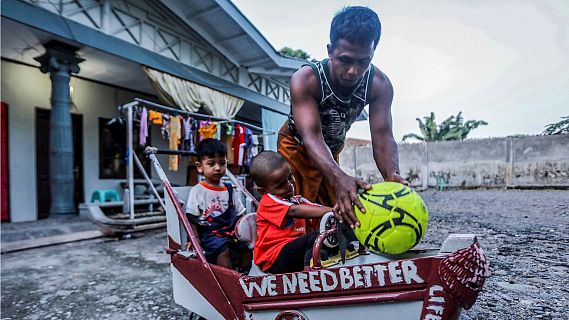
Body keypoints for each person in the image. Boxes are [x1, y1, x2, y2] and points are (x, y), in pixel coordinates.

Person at [278, 6, 408, 231]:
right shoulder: (306, 79)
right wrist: (337, 176)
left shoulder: (379, 85)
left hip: (331, 151)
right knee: (296, 218)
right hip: (296, 148)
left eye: (362, 62)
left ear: (372, 54)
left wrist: (392, 173)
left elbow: (383, 135)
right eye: (345, 60)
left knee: (339, 216)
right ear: (330, 51)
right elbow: (311, 136)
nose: (353, 71)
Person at [250, 151, 333, 274]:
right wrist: (334, 211)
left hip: (291, 252)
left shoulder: (296, 200)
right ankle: (309, 275)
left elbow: (317, 208)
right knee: (315, 238)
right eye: (281, 185)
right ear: (263, 190)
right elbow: (295, 211)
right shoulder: (268, 202)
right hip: (274, 258)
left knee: (327, 238)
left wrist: (337, 211)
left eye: (290, 177)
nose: (289, 185)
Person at [185, 138, 251, 271]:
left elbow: (240, 215)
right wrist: (194, 239)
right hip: (210, 235)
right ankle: (230, 279)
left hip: (231, 232)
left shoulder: (230, 189)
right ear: (199, 167)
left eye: (222, 163)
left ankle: (245, 275)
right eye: (211, 164)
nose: (217, 168)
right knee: (223, 249)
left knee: (248, 247)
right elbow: (191, 218)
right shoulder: (198, 191)